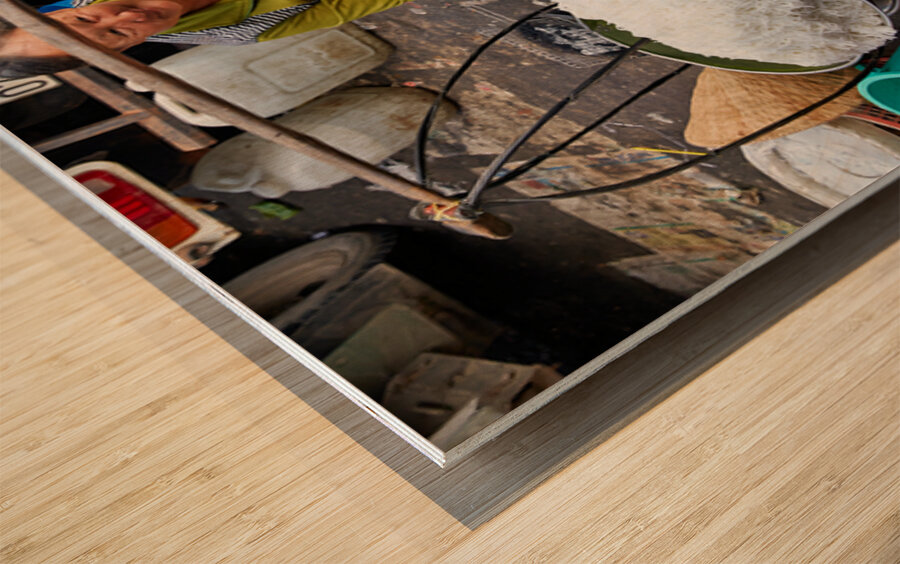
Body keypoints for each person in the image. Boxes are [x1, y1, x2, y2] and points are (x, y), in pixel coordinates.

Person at [0, 0, 411, 77]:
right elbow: (355, 3)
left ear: (56, 9)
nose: (128, 15)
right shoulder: (237, 32)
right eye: (117, 34)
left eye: (85, 17)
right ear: (126, 50)